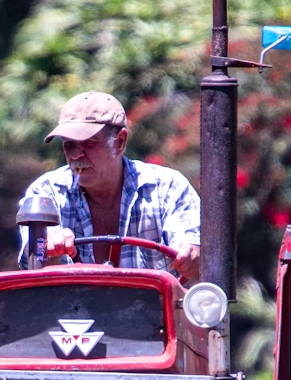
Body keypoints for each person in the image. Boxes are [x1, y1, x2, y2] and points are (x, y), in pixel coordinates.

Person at [18, 90, 201, 281]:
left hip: (157, 309)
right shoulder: (45, 194)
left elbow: (190, 244)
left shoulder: (168, 187)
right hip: (72, 310)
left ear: (120, 142)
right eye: (69, 145)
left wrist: (191, 254)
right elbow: (34, 265)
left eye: (88, 143)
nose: (76, 155)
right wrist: (47, 248)